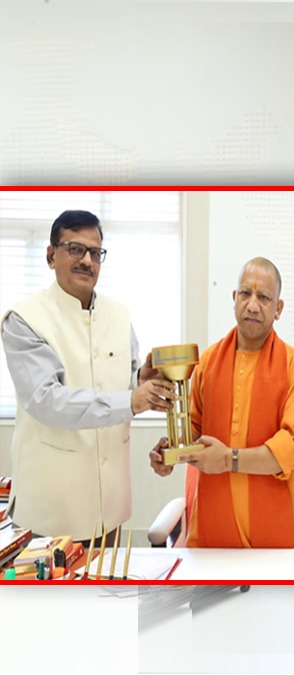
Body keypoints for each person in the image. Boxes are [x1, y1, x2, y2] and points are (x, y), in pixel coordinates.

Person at [2, 209, 173, 544]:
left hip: (109, 508)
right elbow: (47, 401)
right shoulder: (24, 320)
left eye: (95, 253)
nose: (87, 261)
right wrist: (131, 399)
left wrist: (141, 381)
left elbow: (121, 387)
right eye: (75, 249)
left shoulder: (119, 315)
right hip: (49, 512)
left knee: (107, 579)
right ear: (51, 255)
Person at [149, 257, 294, 548]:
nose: (253, 305)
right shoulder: (208, 362)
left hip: (275, 537)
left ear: (278, 308)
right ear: (234, 298)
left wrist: (228, 460)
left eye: (264, 298)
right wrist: (171, 452)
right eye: (246, 294)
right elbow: (194, 432)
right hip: (214, 531)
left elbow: (293, 447)